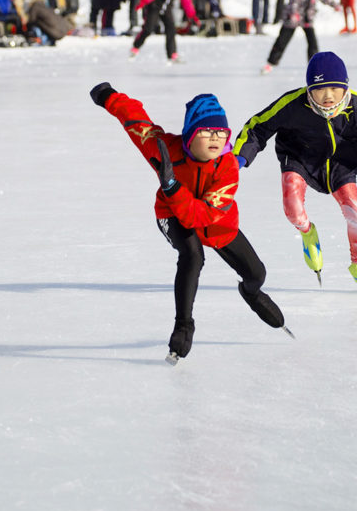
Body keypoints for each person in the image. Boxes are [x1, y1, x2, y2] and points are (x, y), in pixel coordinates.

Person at [89, 83, 291, 360]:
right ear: (190, 134)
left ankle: (252, 294)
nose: (215, 138)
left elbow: (202, 215)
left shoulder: (228, 168)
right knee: (192, 256)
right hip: (171, 214)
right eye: (206, 131)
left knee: (257, 274)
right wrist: (109, 97)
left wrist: (173, 186)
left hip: (216, 222)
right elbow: (136, 121)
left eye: (221, 132)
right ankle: (183, 325)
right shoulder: (165, 150)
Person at [233, 51, 357, 293]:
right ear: (308, 89)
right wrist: (240, 156)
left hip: (341, 164)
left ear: (345, 87)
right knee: (293, 208)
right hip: (299, 159)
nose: (328, 96)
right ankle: (307, 233)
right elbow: (257, 127)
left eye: (335, 88)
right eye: (320, 89)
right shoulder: (292, 104)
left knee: (356, 215)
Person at [261, 0, 339, 75]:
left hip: (307, 18)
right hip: (293, 19)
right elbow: (294, 2)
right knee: (282, 40)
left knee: (312, 43)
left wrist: (335, 5)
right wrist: (293, 14)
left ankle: (315, 66)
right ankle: (270, 63)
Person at [129, 0, 197, 63]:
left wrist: (192, 15)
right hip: (155, 6)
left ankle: (172, 54)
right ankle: (136, 46)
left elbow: (187, 2)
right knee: (148, 28)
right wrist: (142, 2)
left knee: (171, 29)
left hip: (167, 7)